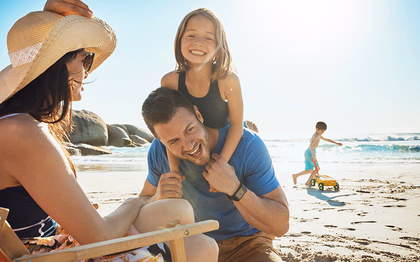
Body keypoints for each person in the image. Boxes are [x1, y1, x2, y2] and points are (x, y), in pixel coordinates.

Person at [0, 9, 217, 262]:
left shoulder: (16, 123)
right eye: (85, 60)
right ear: (58, 64)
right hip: (49, 255)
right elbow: (100, 238)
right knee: (202, 247)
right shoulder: (23, 133)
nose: (86, 71)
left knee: (179, 209)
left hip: (53, 244)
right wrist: (133, 203)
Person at [140, 87, 289, 262]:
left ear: (198, 114)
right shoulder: (158, 152)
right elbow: (142, 201)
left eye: (189, 129)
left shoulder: (249, 145)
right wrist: (157, 197)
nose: (188, 145)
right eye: (173, 141)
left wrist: (235, 189)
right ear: (161, 141)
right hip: (192, 244)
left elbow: (281, 226)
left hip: (247, 244)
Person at [161, 8, 258, 184]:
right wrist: (174, 172)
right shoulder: (170, 82)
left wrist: (221, 166)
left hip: (225, 128)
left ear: (219, 46)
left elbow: (236, 126)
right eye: (191, 35)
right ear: (179, 41)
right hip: (196, 137)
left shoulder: (228, 80)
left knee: (244, 127)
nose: (198, 42)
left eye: (208, 38)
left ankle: (249, 124)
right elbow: (169, 129)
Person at [292, 121, 343, 186]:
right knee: (317, 168)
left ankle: (296, 175)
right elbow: (311, 145)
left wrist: (336, 143)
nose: (322, 133)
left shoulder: (318, 135)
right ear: (317, 129)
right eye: (321, 131)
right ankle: (308, 182)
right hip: (310, 152)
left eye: (323, 132)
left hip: (308, 152)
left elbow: (327, 139)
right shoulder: (316, 136)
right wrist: (313, 154)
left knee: (310, 170)